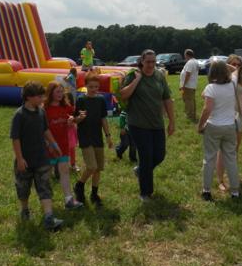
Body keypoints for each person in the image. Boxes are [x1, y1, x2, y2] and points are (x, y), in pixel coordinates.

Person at [120, 49, 175, 201]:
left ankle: (141, 170)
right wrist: (137, 80)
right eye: (148, 61)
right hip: (138, 124)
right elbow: (123, 95)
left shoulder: (159, 76)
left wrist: (172, 121)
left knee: (159, 155)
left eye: (153, 61)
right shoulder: (133, 75)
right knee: (145, 157)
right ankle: (145, 192)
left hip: (156, 123)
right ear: (142, 61)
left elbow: (167, 99)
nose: (151, 64)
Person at [10, 81, 64, 230]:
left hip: (42, 158)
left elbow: (46, 130)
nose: (42, 100)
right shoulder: (19, 115)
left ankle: (49, 217)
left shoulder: (41, 112)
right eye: (39, 97)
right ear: (28, 97)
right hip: (25, 161)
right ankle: (25, 210)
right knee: (23, 188)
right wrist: (20, 159)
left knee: (45, 187)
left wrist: (54, 144)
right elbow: (15, 138)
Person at [198, 60, 241, 201]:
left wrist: (200, 125)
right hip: (230, 126)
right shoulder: (233, 84)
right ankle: (235, 192)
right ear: (225, 71)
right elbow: (235, 69)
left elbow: (207, 109)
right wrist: (222, 63)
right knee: (231, 158)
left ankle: (206, 190)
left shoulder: (210, 88)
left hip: (213, 126)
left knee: (209, 158)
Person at [73, 73, 114, 208]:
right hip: (85, 136)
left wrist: (108, 136)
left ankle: (94, 194)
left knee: (98, 169)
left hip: (98, 137)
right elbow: (75, 120)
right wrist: (80, 118)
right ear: (85, 86)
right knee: (92, 166)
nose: (94, 89)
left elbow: (103, 119)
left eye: (96, 87)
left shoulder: (101, 100)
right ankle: (79, 185)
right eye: (91, 86)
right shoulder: (81, 100)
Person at [43, 81, 83, 210]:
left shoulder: (66, 106)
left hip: (63, 145)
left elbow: (74, 117)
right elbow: (41, 128)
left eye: (62, 91)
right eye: (57, 92)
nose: (60, 94)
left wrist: (74, 119)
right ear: (50, 93)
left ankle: (68, 200)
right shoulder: (45, 108)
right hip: (49, 147)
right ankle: (46, 200)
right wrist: (48, 143)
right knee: (47, 174)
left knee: (64, 171)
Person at [216, 54, 242, 191]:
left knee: (234, 150)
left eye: (238, 64)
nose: (236, 67)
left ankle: (232, 176)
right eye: (233, 64)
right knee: (223, 150)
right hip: (225, 117)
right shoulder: (224, 80)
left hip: (239, 117)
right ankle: (220, 180)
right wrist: (232, 69)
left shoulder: (241, 80)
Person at [63, 67, 80, 171]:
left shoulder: (72, 107)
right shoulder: (72, 76)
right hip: (66, 130)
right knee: (67, 148)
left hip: (71, 130)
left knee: (72, 148)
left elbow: (66, 79)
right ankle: (67, 164)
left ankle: (72, 164)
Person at [179, 49, 200, 122]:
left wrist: (183, 85)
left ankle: (190, 115)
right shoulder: (195, 61)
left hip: (188, 85)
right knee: (191, 100)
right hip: (192, 84)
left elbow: (188, 74)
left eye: (184, 55)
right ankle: (192, 114)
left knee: (188, 100)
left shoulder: (190, 62)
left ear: (186, 55)